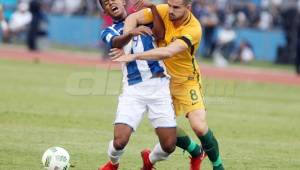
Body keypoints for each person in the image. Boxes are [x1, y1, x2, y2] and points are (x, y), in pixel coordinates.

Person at [111, 0, 225, 169]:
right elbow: (132, 18)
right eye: (169, 5)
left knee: (199, 127)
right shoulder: (163, 10)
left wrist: (135, 56)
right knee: (168, 130)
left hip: (186, 81)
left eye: (176, 8)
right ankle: (193, 152)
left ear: (188, 8)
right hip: (161, 82)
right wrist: (128, 40)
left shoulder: (194, 28)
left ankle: (218, 166)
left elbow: (168, 51)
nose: (170, 10)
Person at [97, 0, 177, 169]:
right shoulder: (108, 31)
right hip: (133, 90)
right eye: (105, 3)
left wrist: (153, 8)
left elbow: (161, 35)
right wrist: (131, 33)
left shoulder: (144, 19)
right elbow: (117, 42)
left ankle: (150, 160)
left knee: (169, 146)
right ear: (105, 11)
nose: (111, 3)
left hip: (159, 86)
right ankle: (113, 164)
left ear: (123, 2)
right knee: (119, 142)